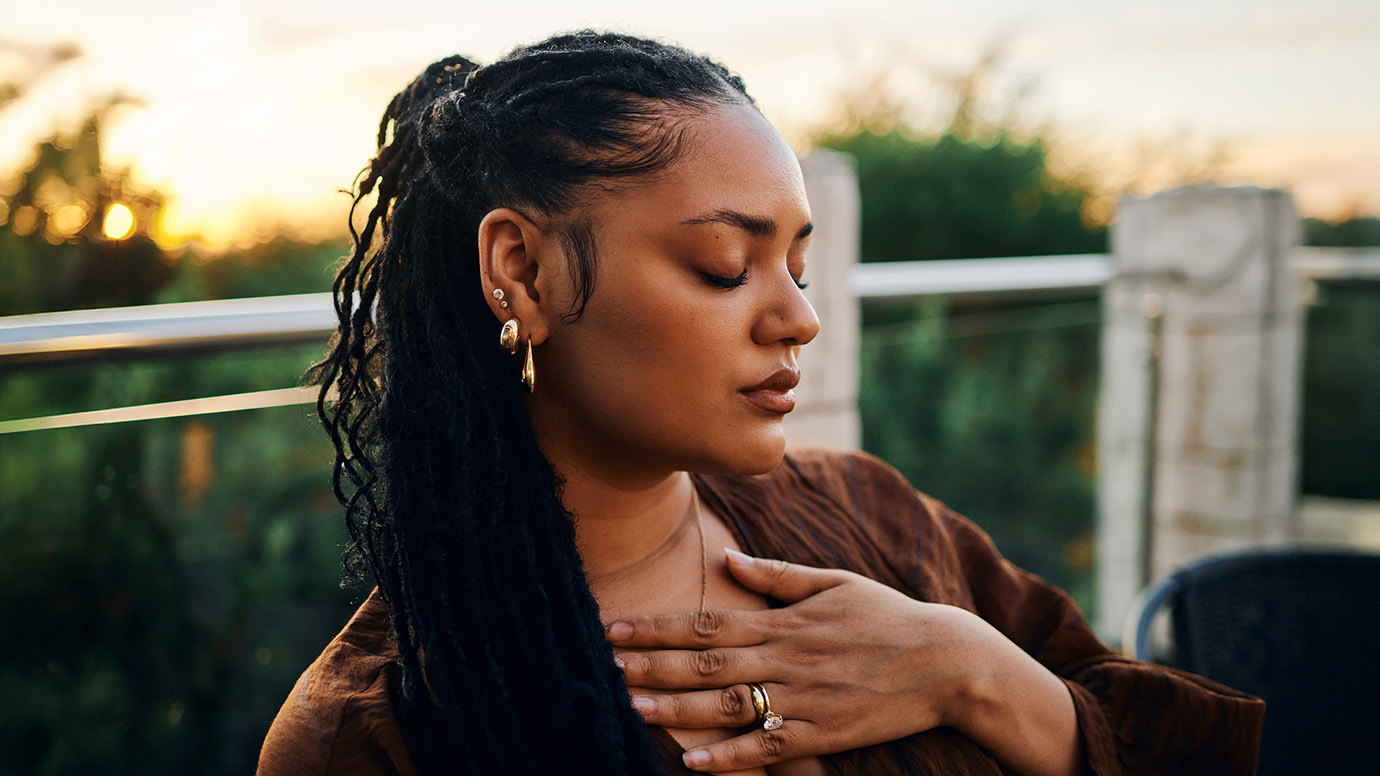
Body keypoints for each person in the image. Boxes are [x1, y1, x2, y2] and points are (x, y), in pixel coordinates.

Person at [258, 31, 1264, 776]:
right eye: (725, 266)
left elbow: (1183, 748)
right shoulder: (375, 731)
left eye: (798, 264)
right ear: (520, 270)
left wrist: (970, 667)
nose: (799, 320)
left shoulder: (870, 516)